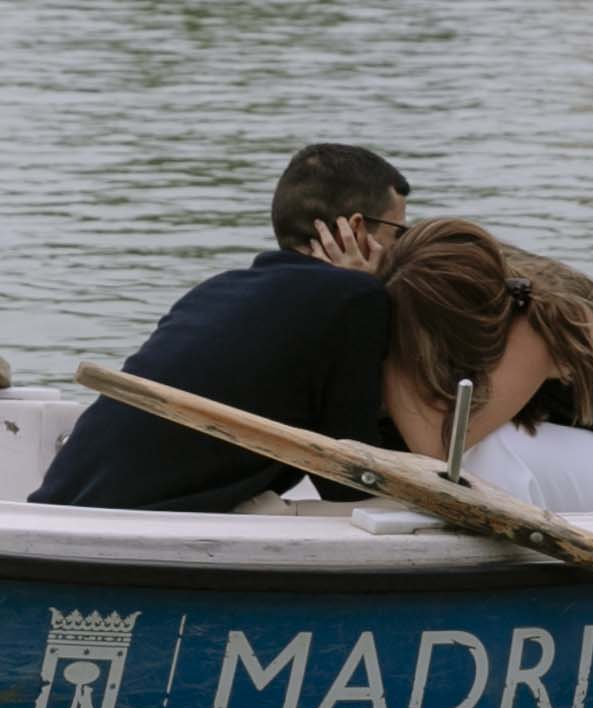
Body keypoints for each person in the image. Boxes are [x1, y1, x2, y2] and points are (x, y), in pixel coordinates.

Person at [30, 144, 411, 512]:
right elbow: (346, 482)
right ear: (357, 229)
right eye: (399, 232)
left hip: (62, 503)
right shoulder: (357, 298)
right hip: (139, 523)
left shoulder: (218, 287)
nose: (401, 250)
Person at [376, 220, 593, 513]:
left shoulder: (538, 320)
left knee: (479, 453)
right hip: (589, 451)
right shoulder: (491, 292)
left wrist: (386, 331)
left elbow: (441, 448)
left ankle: (497, 558)